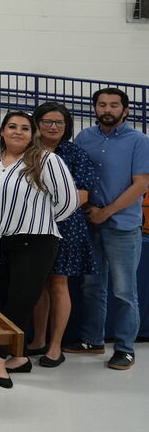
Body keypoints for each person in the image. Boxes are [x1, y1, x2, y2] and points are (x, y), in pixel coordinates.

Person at [0, 111, 78, 388]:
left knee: (22, 300)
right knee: (8, 300)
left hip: (35, 241)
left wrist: (36, 219)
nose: (18, 132)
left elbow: (68, 202)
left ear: (33, 134)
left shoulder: (47, 160)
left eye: (24, 128)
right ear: (2, 131)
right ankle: (19, 357)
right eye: (12, 126)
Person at [68, 87, 149, 370]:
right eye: (102, 104)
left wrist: (106, 212)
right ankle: (93, 340)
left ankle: (125, 349)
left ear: (125, 110)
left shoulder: (139, 141)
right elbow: (77, 176)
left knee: (125, 291)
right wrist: (91, 209)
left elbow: (141, 184)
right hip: (90, 222)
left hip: (123, 226)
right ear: (95, 108)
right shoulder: (84, 137)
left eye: (114, 105)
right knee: (92, 285)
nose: (107, 109)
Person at [27, 103, 97, 367]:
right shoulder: (27, 151)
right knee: (37, 284)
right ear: (37, 123)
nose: (53, 126)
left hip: (66, 226)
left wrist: (48, 212)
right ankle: (38, 340)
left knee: (58, 283)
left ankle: (55, 346)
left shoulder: (75, 154)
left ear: (66, 126)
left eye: (59, 122)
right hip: (31, 226)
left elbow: (82, 195)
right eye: (47, 121)